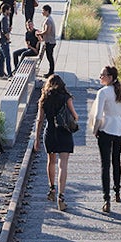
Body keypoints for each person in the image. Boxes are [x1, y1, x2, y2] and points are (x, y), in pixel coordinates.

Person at [32, 73, 78, 212]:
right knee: (62, 165)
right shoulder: (66, 97)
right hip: (64, 133)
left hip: (50, 132)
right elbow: (75, 116)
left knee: (51, 161)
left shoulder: (44, 99)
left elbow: (40, 120)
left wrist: (37, 139)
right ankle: (61, 197)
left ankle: (52, 189)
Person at [91, 65, 121, 213]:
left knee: (105, 165)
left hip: (106, 129)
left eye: (103, 75)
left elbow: (98, 116)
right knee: (116, 161)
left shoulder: (103, 93)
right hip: (119, 129)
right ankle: (117, 192)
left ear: (110, 77)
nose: (100, 77)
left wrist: (95, 130)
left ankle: (106, 198)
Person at [0, 3, 15, 78]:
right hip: (4, 41)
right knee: (7, 58)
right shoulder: (4, 18)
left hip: (0, 40)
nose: (10, 12)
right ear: (6, 10)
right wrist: (8, 38)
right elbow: (4, 31)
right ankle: (9, 74)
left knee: (1, 58)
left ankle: (1, 74)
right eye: (9, 10)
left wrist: (8, 29)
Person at [38, 3, 58, 76]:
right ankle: (51, 71)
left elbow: (47, 31)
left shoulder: (48, 20)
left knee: (49, 57)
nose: (42, 12)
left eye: (43, 10)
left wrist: (39, 34)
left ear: (47, 11)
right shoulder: (48, 19)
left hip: (50, 42)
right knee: (49, 56)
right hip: (49, 41)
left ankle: (51, 72)